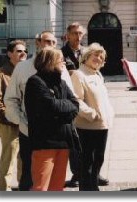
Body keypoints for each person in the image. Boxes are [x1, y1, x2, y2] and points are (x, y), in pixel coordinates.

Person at [4, 31, 73, 191]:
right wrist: (22, 122)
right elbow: (11, 99)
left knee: (56, 181)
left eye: (53, 43)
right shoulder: (23, 67)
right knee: (31, 179)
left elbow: (72, 98)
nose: (49, 45)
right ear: (38, 43)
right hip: (30, 133)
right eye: (46, 41)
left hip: (58, 135)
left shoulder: (61, 69)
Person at [24, 48, 79, 191]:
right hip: (44, 143)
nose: (64, 62)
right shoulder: (35, 82)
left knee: (57, 187)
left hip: (63, 141)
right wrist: (64, 107)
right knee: (40, 187)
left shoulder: (62, 82)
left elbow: (75, 106)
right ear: (49, 61)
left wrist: (61, 108)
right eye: (60, 59)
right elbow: (49, 106)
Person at [71, 42, 114, 191]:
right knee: (87, 163)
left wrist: (109, 114)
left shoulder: (97, 74)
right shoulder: (79, 74)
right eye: (96, 55)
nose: (99, 58)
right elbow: (76, 100)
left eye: (101, 56)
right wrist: (92, 114)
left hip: (102, 125)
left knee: (98, 160)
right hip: (87, 126)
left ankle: (93, 188)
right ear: (86, 56)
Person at [0, 40, 27, 191]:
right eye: (19, 51)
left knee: (23, 160)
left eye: (24, 51)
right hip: (9, 125)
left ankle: (23, 187)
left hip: (25, 123)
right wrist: (12, 118)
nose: (23, 53)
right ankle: (3, 190)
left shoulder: (27, 73)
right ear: (9, 54)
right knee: (8, 160)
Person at [62, 22, 87, 188]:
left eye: (80, 33)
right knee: (74, 140)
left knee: (90, 138)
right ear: (68, 35)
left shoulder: (87, 52)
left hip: (87, 100)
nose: (78, 37)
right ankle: (77, 174)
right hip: (70, 100)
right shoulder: (61, 53)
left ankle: (92, 172)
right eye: (75, 33)